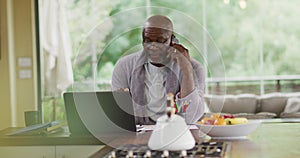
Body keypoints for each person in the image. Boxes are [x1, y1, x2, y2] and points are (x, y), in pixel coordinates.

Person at [112, 15, 205, 125]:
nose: (153, 47)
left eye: (160, 41)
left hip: (176, 134)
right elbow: (117, 118)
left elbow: (191, 118)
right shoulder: (124, 66)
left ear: (173, 40)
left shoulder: (194, 68)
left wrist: (187, 71)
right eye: (147, 41)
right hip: (138, 135)